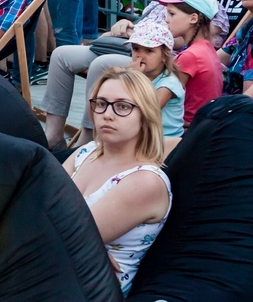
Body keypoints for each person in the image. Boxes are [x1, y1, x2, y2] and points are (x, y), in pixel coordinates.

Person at [42, 0, 225, 148]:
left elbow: (153, 105)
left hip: (168, 128)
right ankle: (54, 135)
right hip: (134, 48)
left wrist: (135, 68)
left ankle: (91, 137)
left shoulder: (195, 43)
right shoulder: (182, 15)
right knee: (61, 55)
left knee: (102, 65)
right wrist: (125, 28)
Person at [65, 67, 172, 295]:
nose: (107, 114)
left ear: (146, 115)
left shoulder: (145, 181)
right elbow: (35, 200)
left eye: (123, 106)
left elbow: (61, 236)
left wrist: (84, 245)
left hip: (91, 291)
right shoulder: (87, 151)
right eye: (101, 103)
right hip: (59, 270)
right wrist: (88, 246)